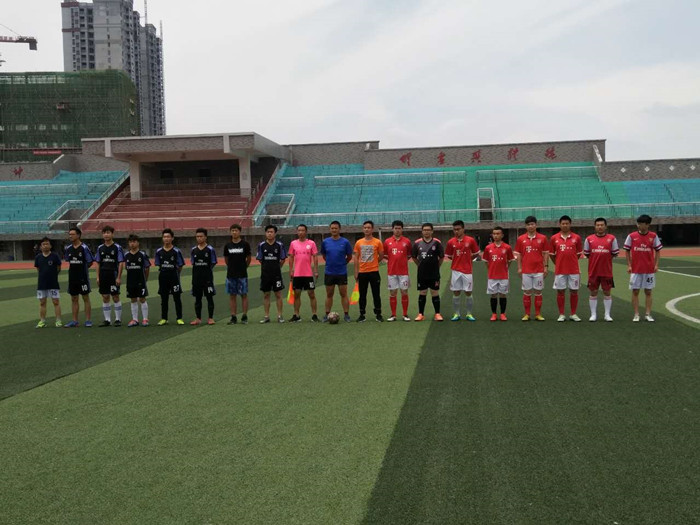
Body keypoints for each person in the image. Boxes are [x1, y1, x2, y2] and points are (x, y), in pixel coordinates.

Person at [623, 214, 662, 322]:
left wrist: (656, 264)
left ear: (647, 225)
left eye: (641, 223)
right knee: (635, 291)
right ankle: (636, 314)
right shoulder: (631, 236)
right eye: (638, 223)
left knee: (648, 291)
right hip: (636, 270)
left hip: (649, 270)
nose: (639, 225)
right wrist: (629, 265)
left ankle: (648, 314)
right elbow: (627, 250)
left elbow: (658, 250)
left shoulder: (653, 236)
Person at [583, 217, 619, 322]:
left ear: (605, 226)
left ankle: (607, 315)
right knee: (593, 292)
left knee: (607, 292)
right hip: (593, 271)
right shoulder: (589, 239)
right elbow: (587, 254)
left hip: (607, 271)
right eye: (598, 225)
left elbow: (614, 253)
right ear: (595, 227)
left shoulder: (612, 238)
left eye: (602, 225)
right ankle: (593, 314)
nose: (600, 227)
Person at [514, 216, 549, 321]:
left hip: (539, 270)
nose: (530, 226)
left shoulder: (543, 238)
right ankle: (527, 314)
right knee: (527, 292)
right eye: (528, 224)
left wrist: (546, 267)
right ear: (526, 226)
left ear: (536, 225)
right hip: (526, 270)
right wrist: (519, 268)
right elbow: (518, 254)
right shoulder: (521, 239)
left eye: (532, 224)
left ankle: (538, 314)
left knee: (538, 292)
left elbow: (546, 253)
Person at [445, 220, 480, 321]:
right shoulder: (451, 242)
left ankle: (469, 314)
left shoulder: (470, 240)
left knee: (468, 292)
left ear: (463, 229)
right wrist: (457, 260)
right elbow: (449, 255)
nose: (456, 231)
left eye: (458, 229)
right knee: (456, 292)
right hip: (455, 271)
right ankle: (457, 314)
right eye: (454, 229)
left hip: (467, 271)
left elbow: (476, 253)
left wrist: (468, 259)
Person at [549, 215, 583, 322]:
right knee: (560, 291)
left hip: (574, 270)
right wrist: (558, 263)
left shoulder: (576, 237)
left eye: (567, 223)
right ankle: (561, 314)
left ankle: (573, 314)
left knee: (574, 291)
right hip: (560, 270)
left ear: (570, 224)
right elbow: (551, 254)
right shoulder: (554, 238)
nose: (565, 225)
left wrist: (572, 262)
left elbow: (578, 253)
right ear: (560, 224)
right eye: (563, 223)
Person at [320, 221, 353, 322]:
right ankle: (327, 314)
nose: (334, 230)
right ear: (330, 229)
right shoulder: (325, 242)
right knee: (329, 294)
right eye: (332, 228)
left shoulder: (345, 242)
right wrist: (330, 263)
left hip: (341, 272)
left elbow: (349, 256)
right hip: (329, 272)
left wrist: (342, 263)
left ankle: (346, 315)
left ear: (339, 229)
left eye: (336, 228)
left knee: (343, 294)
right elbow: (324, 255)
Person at [411, 223, 444, 321]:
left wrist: (437, 267)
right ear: (422, 231)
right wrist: (419, 265)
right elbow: (414, 257)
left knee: (434, 292)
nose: (426, 232)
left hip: (434, 273)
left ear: (432, 231)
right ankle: (421, 314)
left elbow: (441, 257)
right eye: (424, 230)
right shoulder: (417, 243)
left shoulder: (437, 243)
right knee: (422, 292)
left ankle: (437, 314)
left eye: (428, 230)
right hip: (422, 273)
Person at [353, 220, 384, 322]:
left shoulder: (377, 242)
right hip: (362, 273)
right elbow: (356, 258)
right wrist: (356, 272)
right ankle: (362, 314)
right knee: (362, 295)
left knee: (376, 294)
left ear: (372, 229)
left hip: (374, 272)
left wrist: (374, 262)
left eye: (369, 228)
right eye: (365, 228)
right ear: (363, 229)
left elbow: (381, 255)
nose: (366, 229)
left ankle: (378, 314)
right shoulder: (359, 242)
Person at [288, 224, 319, 322]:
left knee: (311, 294)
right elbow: (291, 257)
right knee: (297, 294)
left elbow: (315, 257)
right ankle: (296, 315)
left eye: (303, 230)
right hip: (297, 274)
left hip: (308, 274)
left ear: (306, 232)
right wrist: (291, 270)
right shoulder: (293, 243)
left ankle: (314, 315)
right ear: (297, 232)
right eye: (299, 230)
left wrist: (316, 270)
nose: (301, 232)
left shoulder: (311, 243)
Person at [95, 225, 125, 327]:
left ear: (112, 234)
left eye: (108, 233)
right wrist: (98, 277)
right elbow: (98, 262)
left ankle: (118, 319)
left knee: (115, 296)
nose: (106, 235)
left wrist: (119, 277)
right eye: (104, 233)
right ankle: (107, 320)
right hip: (103, 275)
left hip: (113, 274)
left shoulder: (117, 247)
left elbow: (121, 263)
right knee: (105, 296)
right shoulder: (100, 248)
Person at [64, 226, 94, 327]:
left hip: (83, 277)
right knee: (74, 298)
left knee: (85, 297)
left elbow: (90, 261)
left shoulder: (84, 248)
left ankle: (88, 320)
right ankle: (75, 321)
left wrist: (83, 270)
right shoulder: (68, 248)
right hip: (72, 277)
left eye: (72, 234)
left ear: (78, 235)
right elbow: (68, 260)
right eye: (69, 234)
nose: (70, 236)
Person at [154, 228, 185, 326]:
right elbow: (158, 264)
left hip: (174, 277)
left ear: (172, 238)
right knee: (164, 298)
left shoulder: (176, 251)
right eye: (164, 237)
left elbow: (180, 265)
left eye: (168, 237)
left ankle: (179, 318)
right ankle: (164, 318)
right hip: (163, 277)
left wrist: (175, 273)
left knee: (177, 298)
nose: (166, 239)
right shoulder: (159, 251)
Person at [483, 226, 514, 321]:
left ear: (502, 235)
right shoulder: (488, 248)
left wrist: (505, 269)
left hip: (503, 276)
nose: (495, 236)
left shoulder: (507, 247)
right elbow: (486, 261)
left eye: (498, 234)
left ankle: (503, 314)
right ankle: (494, 314)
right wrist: (491, 269)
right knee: (493, 295)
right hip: (492, 276)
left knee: (503, 294)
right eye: (494, 234)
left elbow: (510, 260)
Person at [383, 220, 412, 322]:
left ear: (402, 229)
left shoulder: (407, 241)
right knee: (393, 293)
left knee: (404, 292)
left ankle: (405, 314)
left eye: (399, 228)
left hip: (403, 272)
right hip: (391, 272)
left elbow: (409, 255)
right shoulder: (387, 242)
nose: (397, 230)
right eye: (396, 228)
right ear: (392, 229)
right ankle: (393, 315)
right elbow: (385, 255)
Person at [257, 224, 287, 323]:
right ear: (265, 233)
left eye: (271, 232)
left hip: (276, 275)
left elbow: (283, 259)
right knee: (266, 295)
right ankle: (266, 316)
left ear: (275, 233)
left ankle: (280, 316)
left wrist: (277, 268)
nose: (269, 234)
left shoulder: (279, 245)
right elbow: (260, 259)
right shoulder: (261, 245)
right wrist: (267, 267)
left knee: (278, 294)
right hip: (265, 275)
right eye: (268, 232)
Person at [223, 224, 251, 325]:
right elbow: (226, 259)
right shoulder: (227, 245)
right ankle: (233, 316)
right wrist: (231, 267)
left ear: (240, 232)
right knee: (232, 295)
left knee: (244, 294)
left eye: (236, 230)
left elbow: (248, 258)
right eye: (232, 230)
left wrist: (244, 267)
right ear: (230, 232)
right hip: (231, 274)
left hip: (242, 274)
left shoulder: (245, 244)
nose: (234, 232)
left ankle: (244, 316)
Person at [190, 227, 218, 326]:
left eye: (201, 236)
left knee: (209, 298)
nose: (199, 238)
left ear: (205, 237)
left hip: (207, 279)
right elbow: (193, 262)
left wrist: (206, 271)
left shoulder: (210, 249)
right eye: (197, 236)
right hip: (196, 278)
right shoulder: (193, 250)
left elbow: (213, 262)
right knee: (197, 299)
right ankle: (198, 318)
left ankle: (210, 318)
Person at [34, 236, 62, 328]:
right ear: (41, 246)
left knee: (56, 302)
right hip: (42, 284)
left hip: (53, 283)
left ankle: (58, 320)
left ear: (50, 246)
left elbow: (58, 268)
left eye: (47, 244)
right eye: (43, 244)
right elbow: (38, 269)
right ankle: (42, 321)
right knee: (42, 302)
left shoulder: (55, 256)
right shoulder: (38, 257)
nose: (45, 246)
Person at [124, 234, 151, 327]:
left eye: (134, 242)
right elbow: (126, 267)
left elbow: (147, 268)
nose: (132, 244)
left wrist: (145, 279)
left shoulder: (142, 254)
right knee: (133, 299)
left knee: (142, 298)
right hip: (130, 281)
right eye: (130, 242)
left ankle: (145, 319)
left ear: (138, 243)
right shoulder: (126, 255)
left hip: (140, 280)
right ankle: (135, 319)